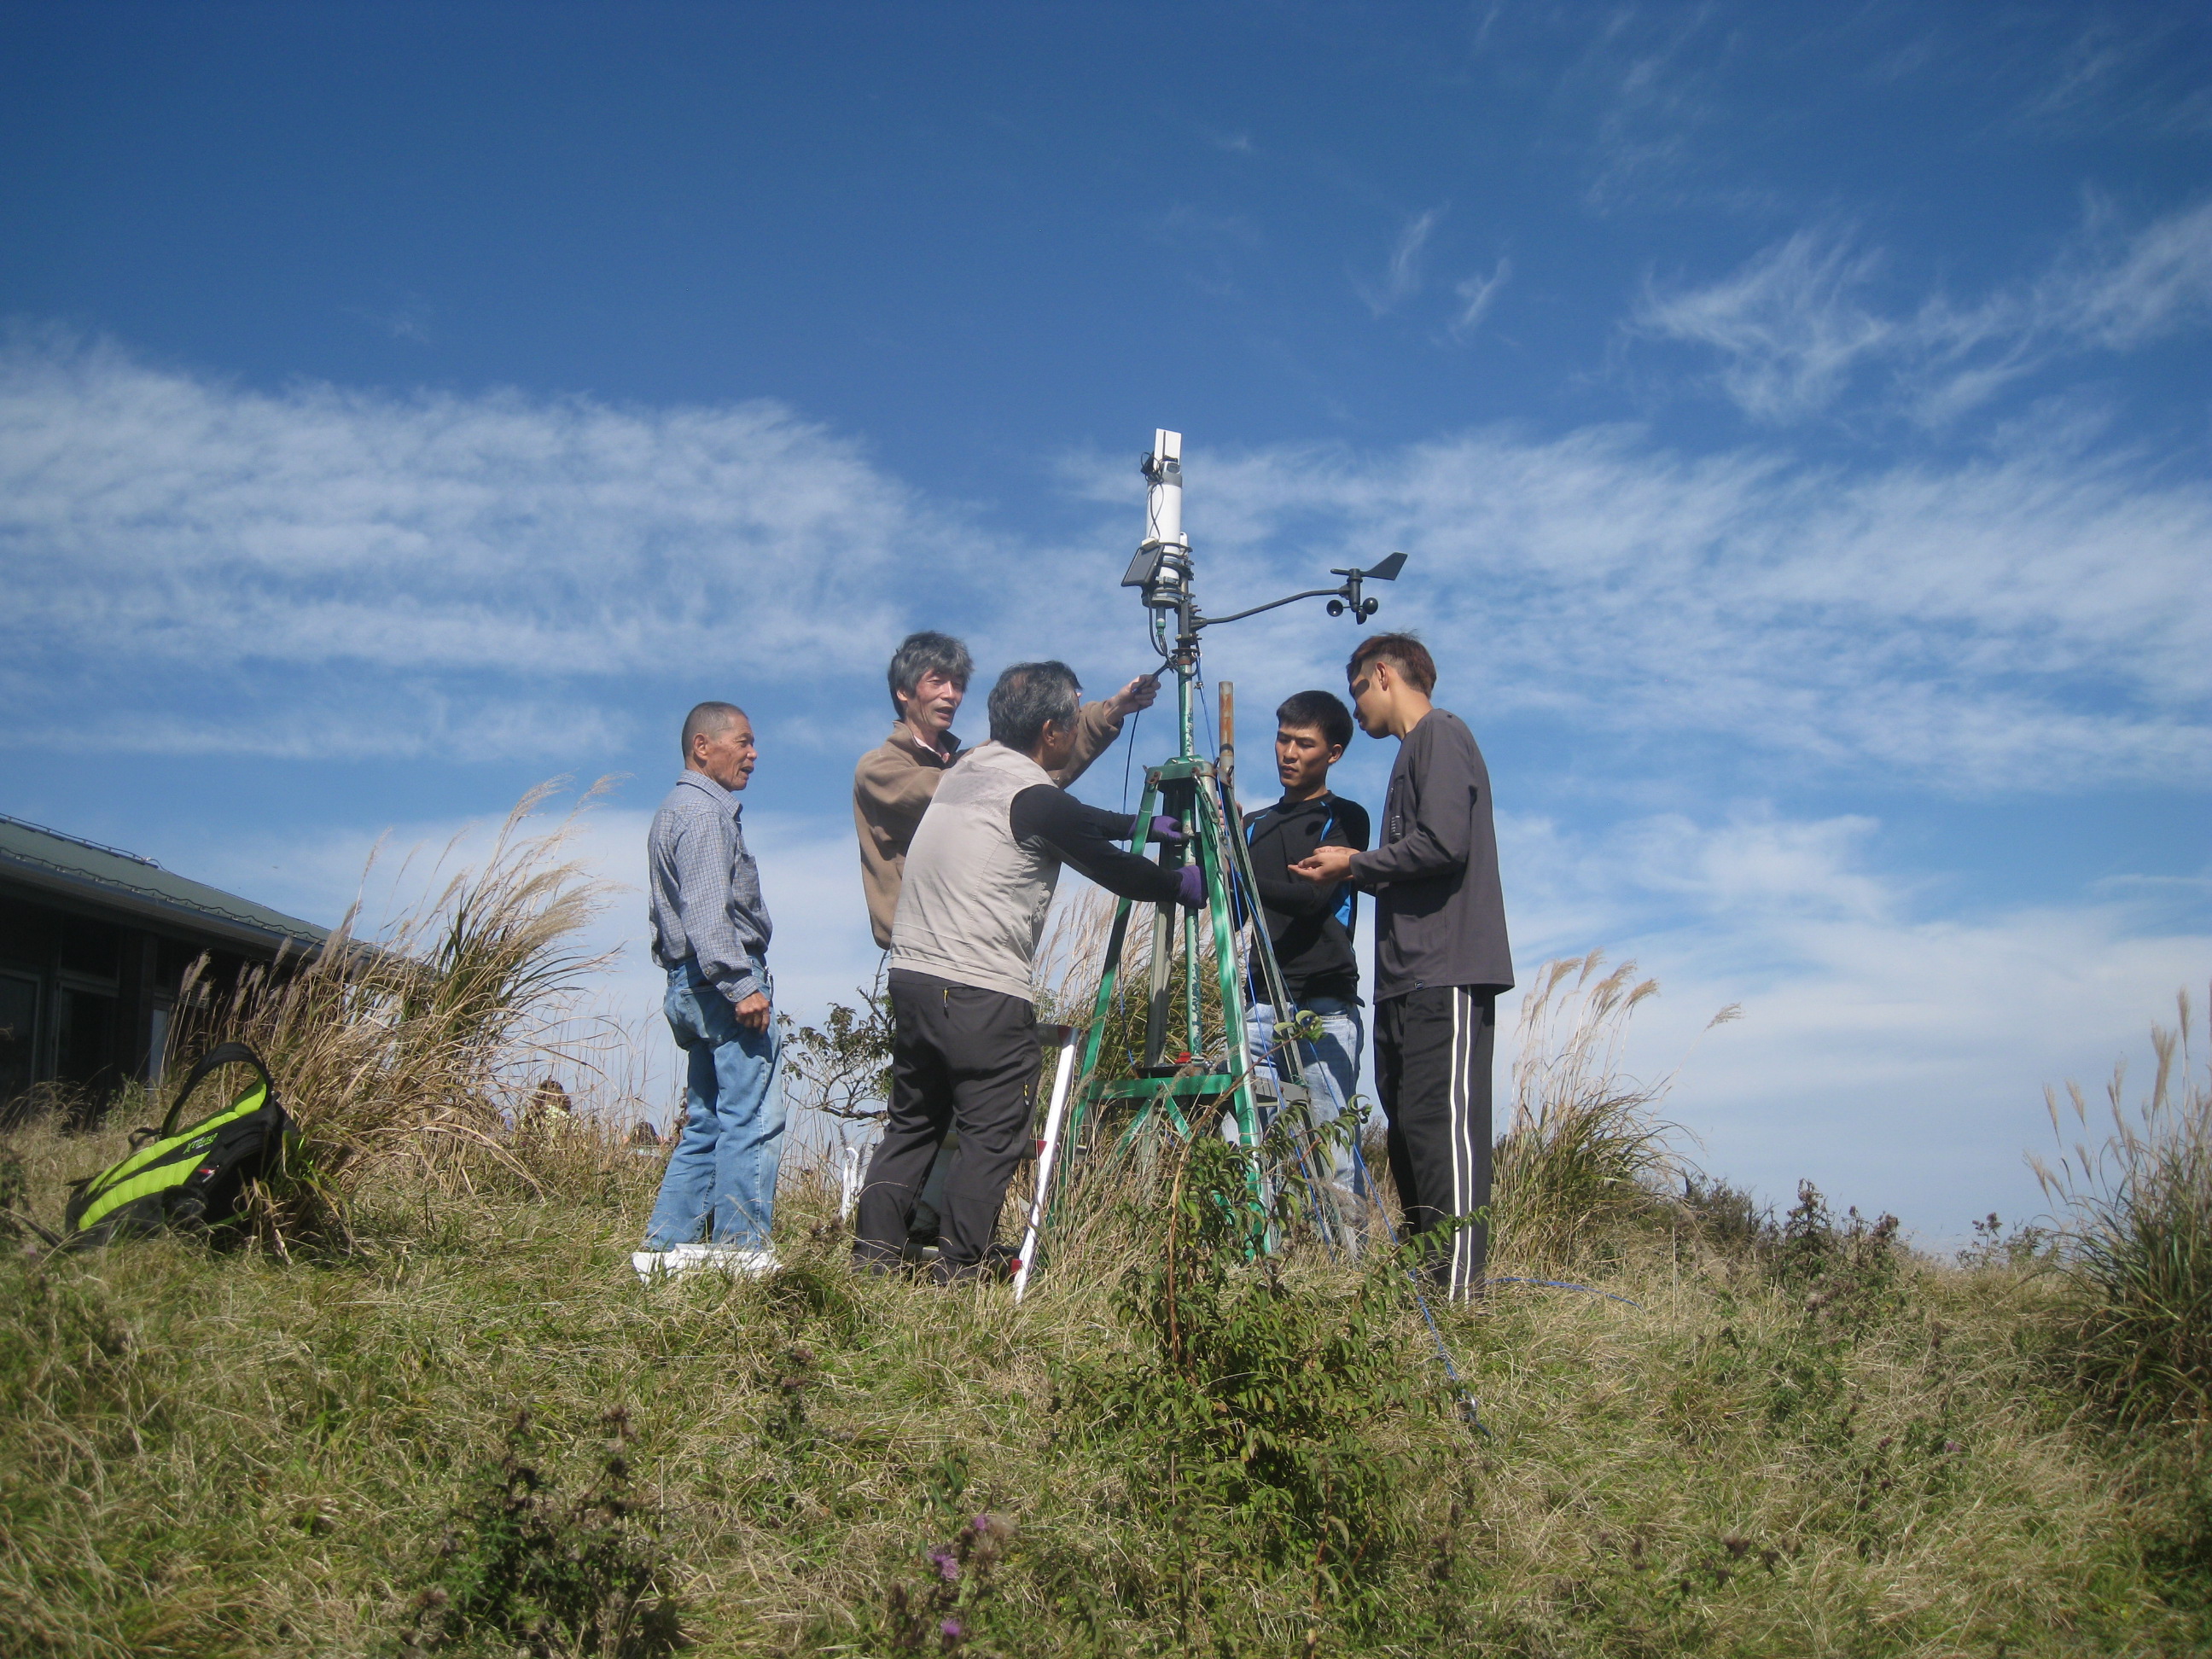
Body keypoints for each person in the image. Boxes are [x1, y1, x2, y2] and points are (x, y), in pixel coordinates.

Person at [854, 661, 1204, 1284]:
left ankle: (870, 1263)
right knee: (994, 1131)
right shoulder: (1033, 798)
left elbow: (1066, 816)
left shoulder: (966, 772)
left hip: (912, 976)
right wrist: (1176, 884)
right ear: (1051, 731)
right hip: (978, 985)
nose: (1073, 730)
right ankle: (959, 1272)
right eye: (1071, 719)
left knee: (913, 1123)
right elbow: (1113, 870)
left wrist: (1135, 825)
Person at [1290, 634, 1511, 1300]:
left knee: (1443, 1133)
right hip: (1405, 980)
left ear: (1384, 675)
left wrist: (1353, 863)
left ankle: (1459, 1301)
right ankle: (1425, 1290)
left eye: (1357, 688)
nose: (1355, 705)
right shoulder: (1412, 753)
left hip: (1446, 972)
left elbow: (1444, 843)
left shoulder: (1441, 735)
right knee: (1412, 1134)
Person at [853, 630, 1160, 950]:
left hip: (981, 944)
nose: (951, 695)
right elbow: (987, 782)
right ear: (904, 691)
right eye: (937, 682)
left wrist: (1112, 709)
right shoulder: (879, 770)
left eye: (957, 684)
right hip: (921, 948)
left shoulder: (968, 764)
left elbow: (1029, 758)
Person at [633, 701, 786, 1283]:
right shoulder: (702, 814)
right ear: (703, 746)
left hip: (690, 982)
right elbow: (705, 910)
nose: (753, 754)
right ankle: (740, 1255)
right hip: (721, 983)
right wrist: (740, 983)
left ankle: (663, 1252)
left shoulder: (673, 811)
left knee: (707, 1119)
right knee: (753, 1115)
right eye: (742, 742)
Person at [1238, 690, 1371, 1214]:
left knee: (1331, 1155)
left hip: (1325, 1005)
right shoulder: (1253, 824)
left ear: (1333, 753)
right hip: (1259, 1007)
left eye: (1304, 744)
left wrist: (1242, 876)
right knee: (1247, 1149)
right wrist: (1217, 848)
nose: (1288, 753)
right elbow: (1229, 904)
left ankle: (1344, 1258)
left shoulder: (1345, 816)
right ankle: (1256, 1252)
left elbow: (1313, 899)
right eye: (1282, 739)